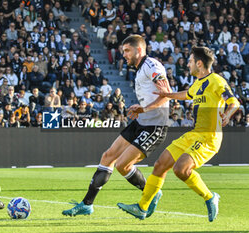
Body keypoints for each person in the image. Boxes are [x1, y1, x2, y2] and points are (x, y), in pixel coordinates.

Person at [117, 46, 240, 222]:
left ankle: (210, 197)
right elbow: (187, 94)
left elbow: (234, 101)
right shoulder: (197, 83)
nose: (188, 64)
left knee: (181, 169)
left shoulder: (217, 81)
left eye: (190, 61)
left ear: (199, 63)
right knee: (160, 164)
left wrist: (227, 114)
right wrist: (168, 94)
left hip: (209, 137)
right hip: (194, 134)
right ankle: (142, 207)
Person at [62, 35, 171, 217]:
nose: (124, 55)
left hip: (155, 124)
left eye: (127, 51)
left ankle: (152, 193)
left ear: (139, 50)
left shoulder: (152, 66)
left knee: (123, 165)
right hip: (142, 121)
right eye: (123, 51)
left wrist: (144, 108)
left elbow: (167, 94)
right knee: (108, 156)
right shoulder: (140, 68)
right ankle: (87, 204)